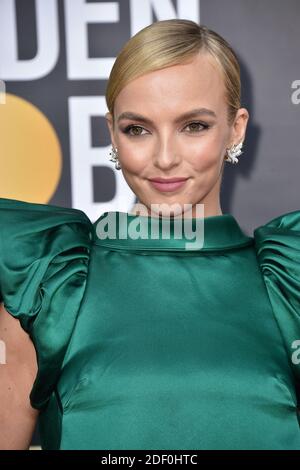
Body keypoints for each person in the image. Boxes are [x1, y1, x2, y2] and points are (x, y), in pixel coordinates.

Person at [0, 18, 299, 450]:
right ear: (112, 133)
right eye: (137, 129)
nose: (163, 158)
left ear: (236, 128)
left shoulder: (289, 282)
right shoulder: (50, 283)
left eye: (194, 126)